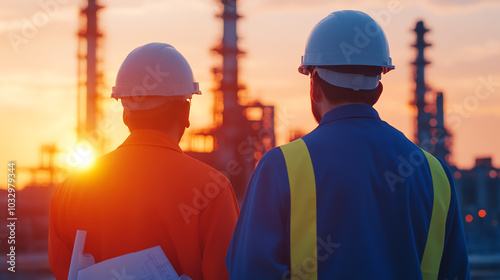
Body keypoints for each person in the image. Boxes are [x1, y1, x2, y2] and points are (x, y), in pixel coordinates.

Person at [226, 10, 469, 279]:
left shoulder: (280, 167)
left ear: (314, 88)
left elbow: (248, 271)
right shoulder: (435, 174)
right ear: (378, 91)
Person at [49, 43, 239, 280]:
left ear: (125, 114)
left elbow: (63, 271)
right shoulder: (212, 189)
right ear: (185, 113)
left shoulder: (71, 188)